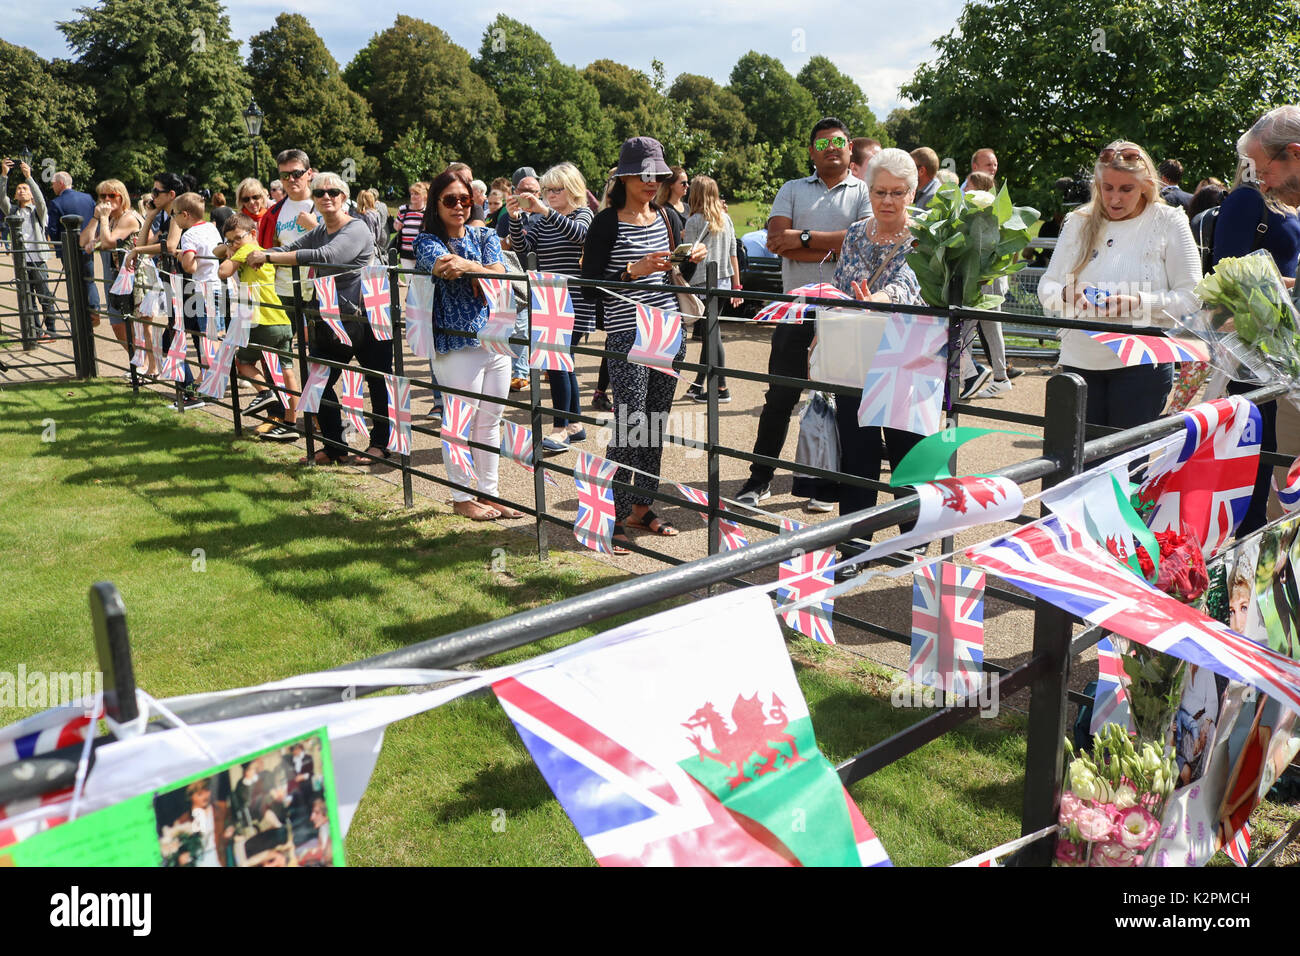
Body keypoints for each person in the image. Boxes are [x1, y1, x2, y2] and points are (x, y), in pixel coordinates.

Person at [734, 117, 872, 508]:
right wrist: (832, 245)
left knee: (843, 398)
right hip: (796, 310)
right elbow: (778, 241)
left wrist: (805, 238)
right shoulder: (792, 189)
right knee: (780, 397)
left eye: (839, 141)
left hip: (846, 314)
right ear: (811, 151)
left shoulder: (864, 193)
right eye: (822, 142)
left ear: (850, 149)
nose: (831, 147)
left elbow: (860, 245)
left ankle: (828, 482)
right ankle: (758, 479)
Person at [582, 136, 706, 551]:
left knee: (654, 423)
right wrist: (629, 272)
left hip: (668, 332)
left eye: (659, 174)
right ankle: (611, 513)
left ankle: (641, 506)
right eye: (645, 175)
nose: (653, 182)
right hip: (627, 333)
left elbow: (669, 271)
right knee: (629, 423)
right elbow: (589, 288)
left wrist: (689, 258)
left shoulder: (668, 217)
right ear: (625, 177)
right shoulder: (606, 221)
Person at [1037, 141, 1200, 430]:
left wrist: (1139, 302)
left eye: (1126, 189)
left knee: (1124, 465)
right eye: (1107, 188)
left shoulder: (1170, 220)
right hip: (1079, 362)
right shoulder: (1077, 221)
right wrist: (1066, 293)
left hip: (1142, 365)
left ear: (1147, 185)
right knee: (1076, 467)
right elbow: (1046, 285)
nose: (1114, 199)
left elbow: (1191, 298)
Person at [245, 172, 392, 465]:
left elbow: (326, 255)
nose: (326, 196)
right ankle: (335, 446)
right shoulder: (321, 229)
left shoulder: (357, 228)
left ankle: (381, 444)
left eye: (333, 192)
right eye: (320, 192)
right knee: (317, 382)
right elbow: (288, 248)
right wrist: (248, 251)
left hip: (365, 317)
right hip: (330, 319)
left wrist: (268, 258)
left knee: (377, 380)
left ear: (344, 197)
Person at [413, 167, 524, 521]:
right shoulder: (426, 239)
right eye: (450, 200)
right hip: (456, 342)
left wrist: (471, 266)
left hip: (495, 339)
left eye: (465, 199)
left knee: (490, 420)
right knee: (459, 420)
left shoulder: (486, 235)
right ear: (437, 203)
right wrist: (479, 269)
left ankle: (488, 493)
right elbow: (444, 266)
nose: (459, 206)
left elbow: (502, 272)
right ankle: (462, 497)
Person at [831, 147, 925, 530]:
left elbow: (908, 285)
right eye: (880, 191)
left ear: (912, 193)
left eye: (897, 192)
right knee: (857, 455)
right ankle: (854, 543)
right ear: (868, 191)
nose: (887, 200)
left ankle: (911, 543)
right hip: (855, 357)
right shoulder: (855, 232)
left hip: (906, 357)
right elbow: (839, 288)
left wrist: (880, 299)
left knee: (909, 455)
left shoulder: (924, 236)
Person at [1220, 106, 1300, 533]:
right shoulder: (1248, 200)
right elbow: (1229, 278)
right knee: (1269, 461)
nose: (1258, 178)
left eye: (1262, 167)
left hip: (1284, 351)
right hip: (1267, 354)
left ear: (1294, 153)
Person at [507, 161, 594, 453]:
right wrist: (515, 219)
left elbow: (580, 236)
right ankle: (574, 424)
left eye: (557, 189)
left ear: (573, 189)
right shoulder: (545, 219)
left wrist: (544, 210)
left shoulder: (583, 214)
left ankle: (560, 429)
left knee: (557, 363)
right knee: (562, 363)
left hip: (575, 300)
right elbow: (524, 249)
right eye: (548, 190)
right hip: (550, 299)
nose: (551, 194)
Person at [218, 212, 300, 442]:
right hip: (280, 319)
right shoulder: (262, 252)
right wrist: (229, 247)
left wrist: (229, 254)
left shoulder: (247, 250)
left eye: (237, 238)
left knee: (243, 363)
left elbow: (223, 272)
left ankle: (265, 393)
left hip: (260, 320)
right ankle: (291, 422)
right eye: (229, 240)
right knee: (287, 370)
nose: (233, 244)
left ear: (252, 234)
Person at [681, 174, 741, 403]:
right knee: (710, 335)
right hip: (724, 281)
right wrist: (737, 283)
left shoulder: (694, 221)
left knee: (712, 335)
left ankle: (722, 387)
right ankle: (698, 384)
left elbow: (690, 255)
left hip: (703, 282)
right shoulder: (726, 219)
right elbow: (734, 252)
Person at [79, 178, 141, 362]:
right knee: (118, 326)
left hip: (131, 279)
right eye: (102, 195)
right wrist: (97, 218)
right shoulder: (112, 220)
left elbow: (107, 242)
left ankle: (143, 365)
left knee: (129, 326)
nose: (106, 199)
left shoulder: (128, 218)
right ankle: (138, 363)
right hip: (114, 278)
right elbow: (83, 242)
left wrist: (104, 219)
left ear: (122, 197)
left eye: (111, 195)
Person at [963, 170, 1012, 399]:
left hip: (987, 278)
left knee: (967, 326)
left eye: (968, 187)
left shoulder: (987, 213)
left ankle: (970, 375)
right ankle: (996, 376)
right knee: (986, 327)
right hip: (988, 277)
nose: (964, 190)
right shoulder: (987, 212)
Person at [0, 159, 59, 338]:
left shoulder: (37, 211)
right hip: (21, 261)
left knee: (45, 296)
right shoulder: (12, 211)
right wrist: (3, 175)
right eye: (18, 189)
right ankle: (34, 331)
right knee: (27, 298)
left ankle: (51, 330)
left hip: (38, 260)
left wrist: (29, 178)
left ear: (31, 195)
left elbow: (41, 200)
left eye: (24, 188)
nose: (20, 190)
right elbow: (1, 198)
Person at [47, 170, 102, 326]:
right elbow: (95, 219)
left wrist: (58, 247)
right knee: (89, 280)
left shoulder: (56, 203)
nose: (52, 186)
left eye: (53, 183)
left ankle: (79, 313)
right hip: (88, 245)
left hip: (69, 248)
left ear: (61, 183)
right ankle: (94, 310)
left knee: (73, 281)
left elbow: (53, 230)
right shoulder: (88, 198)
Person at [356, 188, 389, 262]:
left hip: (356, 245)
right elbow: (377, 231)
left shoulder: (353, 213)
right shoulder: (375, 212)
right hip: (372, 244)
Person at [654, 165, 689, 233]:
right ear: (671, 185)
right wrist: (680, 234)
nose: (687, 186)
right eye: (683, 183)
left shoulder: (688, 207)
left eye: (687, 182)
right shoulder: (663, 210)